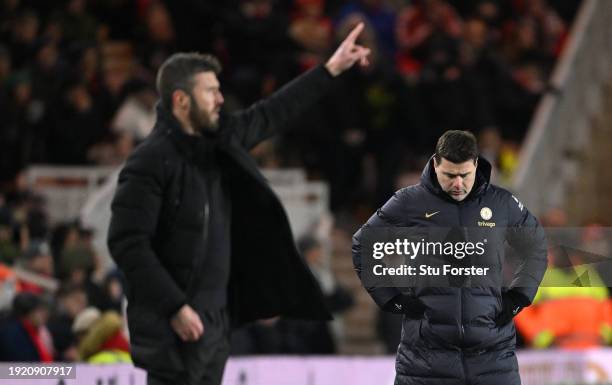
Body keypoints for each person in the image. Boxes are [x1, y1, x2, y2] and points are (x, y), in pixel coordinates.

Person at [108, 23, 370, 385]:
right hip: (175, 326)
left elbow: (272, 113)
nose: (219, 99)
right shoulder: (149, 162)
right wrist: (175, 306)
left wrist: (330, 70)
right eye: (210, 92)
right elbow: (127, 243)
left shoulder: (221, 142)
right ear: (181, 101)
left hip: (216, 321)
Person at [352, 130, 547, 385]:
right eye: (449, 175)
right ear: (435, 165)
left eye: (465, 175)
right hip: (425, 362)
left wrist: (520, 295)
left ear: (476, 164)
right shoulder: (410, 202)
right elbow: (364, 243)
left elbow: (536, 245)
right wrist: (391, 299)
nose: (458, 184)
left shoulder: (501, 203)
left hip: (493, 360)